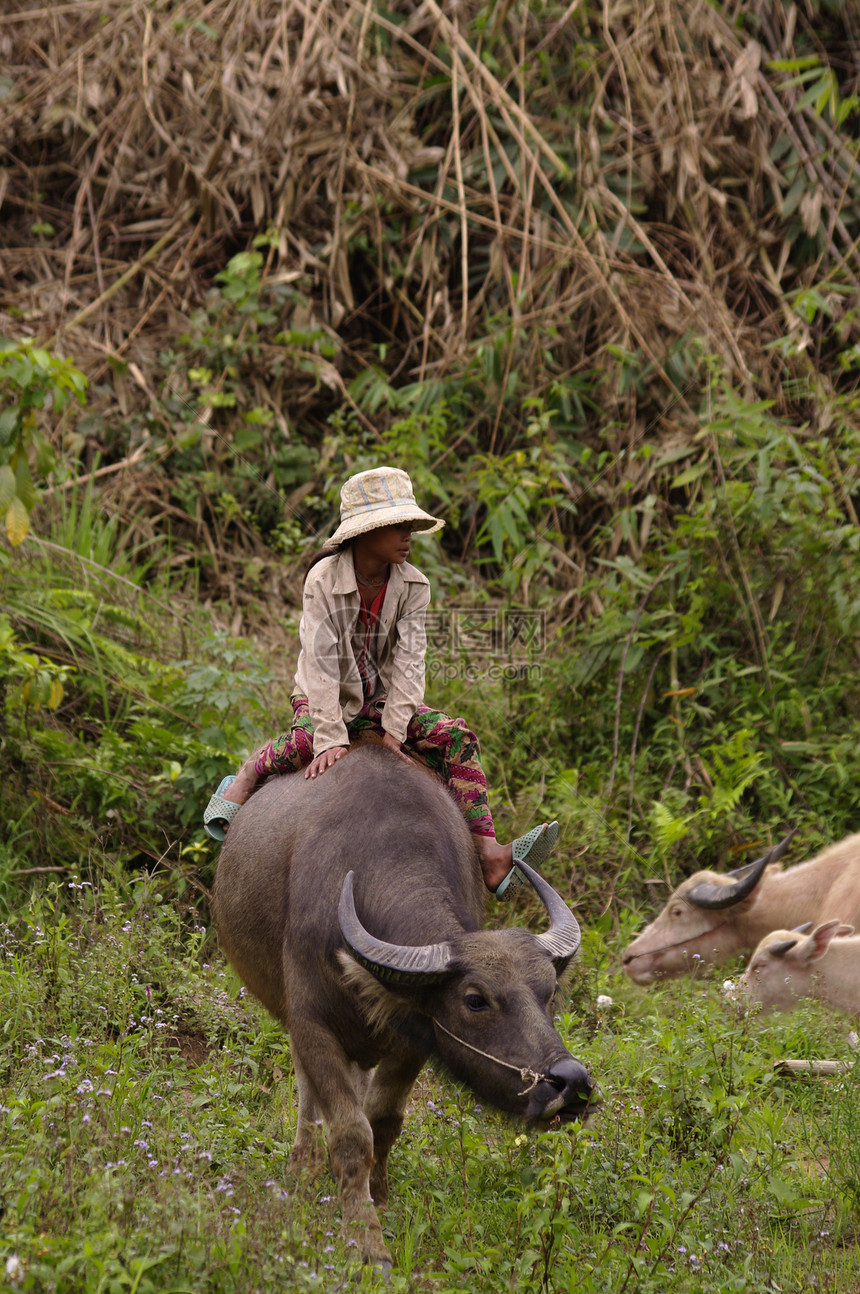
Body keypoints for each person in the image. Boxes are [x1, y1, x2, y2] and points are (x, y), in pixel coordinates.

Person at [203, 466, 559, 896]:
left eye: (410, 526)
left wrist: (394, 730)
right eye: (398, 526)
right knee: (305, 743)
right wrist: (331, 737)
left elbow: (411, 660)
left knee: (456, 736)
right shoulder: (322, 580)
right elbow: (319, 665)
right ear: (365, 532)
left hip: (382, 699)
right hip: (326, 695)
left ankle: (488, 851)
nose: (408, 535)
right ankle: (247, 774)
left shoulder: (414, 585)